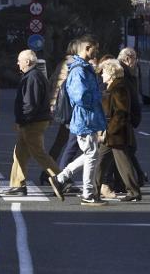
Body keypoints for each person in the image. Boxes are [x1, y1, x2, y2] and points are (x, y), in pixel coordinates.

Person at [48, 35, 108, 206]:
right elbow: (80, 97)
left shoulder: (84, 68)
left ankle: (60, 179)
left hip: (88, 118)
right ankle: (87, 194)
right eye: (95, 48)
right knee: (90, 154)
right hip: (84, 118)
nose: (97, 52)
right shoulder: (78, 70)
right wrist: (99, 95)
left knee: (90, 153)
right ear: (87, 48)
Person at [3, 50, 61, 196]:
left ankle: (62, 179)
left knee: (38, 153)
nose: (17, 63)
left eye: (19, 60)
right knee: (19, 153)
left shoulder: (32, 77)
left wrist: (22, 120)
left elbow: (30, 104)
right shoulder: (32, 76)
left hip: (32, 122)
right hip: (33, 121)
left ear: (27, 62)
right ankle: (18, 185)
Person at [96, 59, 141, 202]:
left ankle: (133, 191)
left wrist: (109, 131)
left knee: (120, 162)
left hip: (115, 134)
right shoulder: (113, 87)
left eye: (104, 72)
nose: (102, 75)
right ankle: (93, 190)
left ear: (111, 74)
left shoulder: (118, 88)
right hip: (112, 133)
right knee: (103, 162)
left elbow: (121, 113)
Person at [39, 40, 77, 186]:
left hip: (60, 108)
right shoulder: (71, 65)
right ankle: (57, 174)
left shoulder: (62, 64)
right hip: (69, 109)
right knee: (73, 144)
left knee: (62, 142)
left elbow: (52, 85)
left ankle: (48, 173)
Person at [117, 47, 147, 187]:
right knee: (125, 149)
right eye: (135, 58)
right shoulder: (123, 72)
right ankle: (132, 181)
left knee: (127, 149)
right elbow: (130, 97)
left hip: (126, 116)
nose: (136, 62)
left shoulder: (126, 71)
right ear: (128, 58)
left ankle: (136, 178)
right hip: (124, 117)